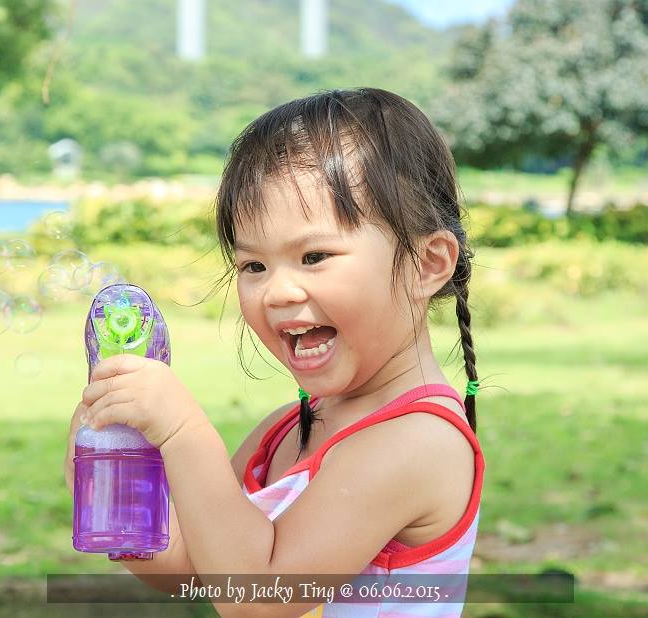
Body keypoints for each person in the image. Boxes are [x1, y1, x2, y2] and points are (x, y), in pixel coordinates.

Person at [65, 87, 486, 617]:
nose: (277, 292)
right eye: (254, 266)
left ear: (427, 264)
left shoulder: (419, 440)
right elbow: (194, 569)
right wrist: (108, 460)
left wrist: (184, 433)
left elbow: (257, 599)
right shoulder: (283, 431)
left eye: (314, 256)